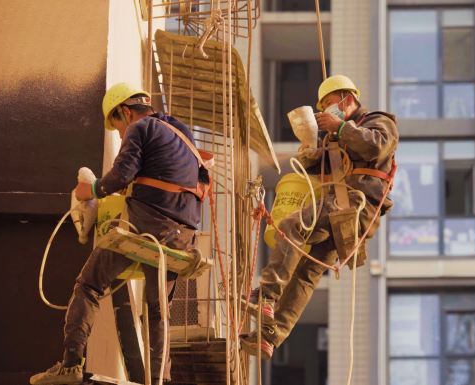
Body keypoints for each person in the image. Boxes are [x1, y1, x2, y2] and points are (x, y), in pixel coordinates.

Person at [30, 83, 209, 384]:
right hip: (183, 235)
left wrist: (93, 189)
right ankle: (160, 379)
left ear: (125, 112)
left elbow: (121, 175)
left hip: (149, 224)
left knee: (88, 285)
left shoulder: (139, 130)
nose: (120, 135)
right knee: (157, 309)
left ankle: (71, 364)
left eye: (116, 127)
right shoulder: (182, 134)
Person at [241, 74, 398, 358]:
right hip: (343, 205)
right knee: (306, 274)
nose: (327, 112)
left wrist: (339, 128)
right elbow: (318, 167)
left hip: (354, 203)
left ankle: (267, 296)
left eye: (330, 105)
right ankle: (269, 337)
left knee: (291, 227)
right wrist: (310, 149)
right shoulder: (338, 137)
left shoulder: (378, 122)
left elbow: (375, 146)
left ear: (348, 100)